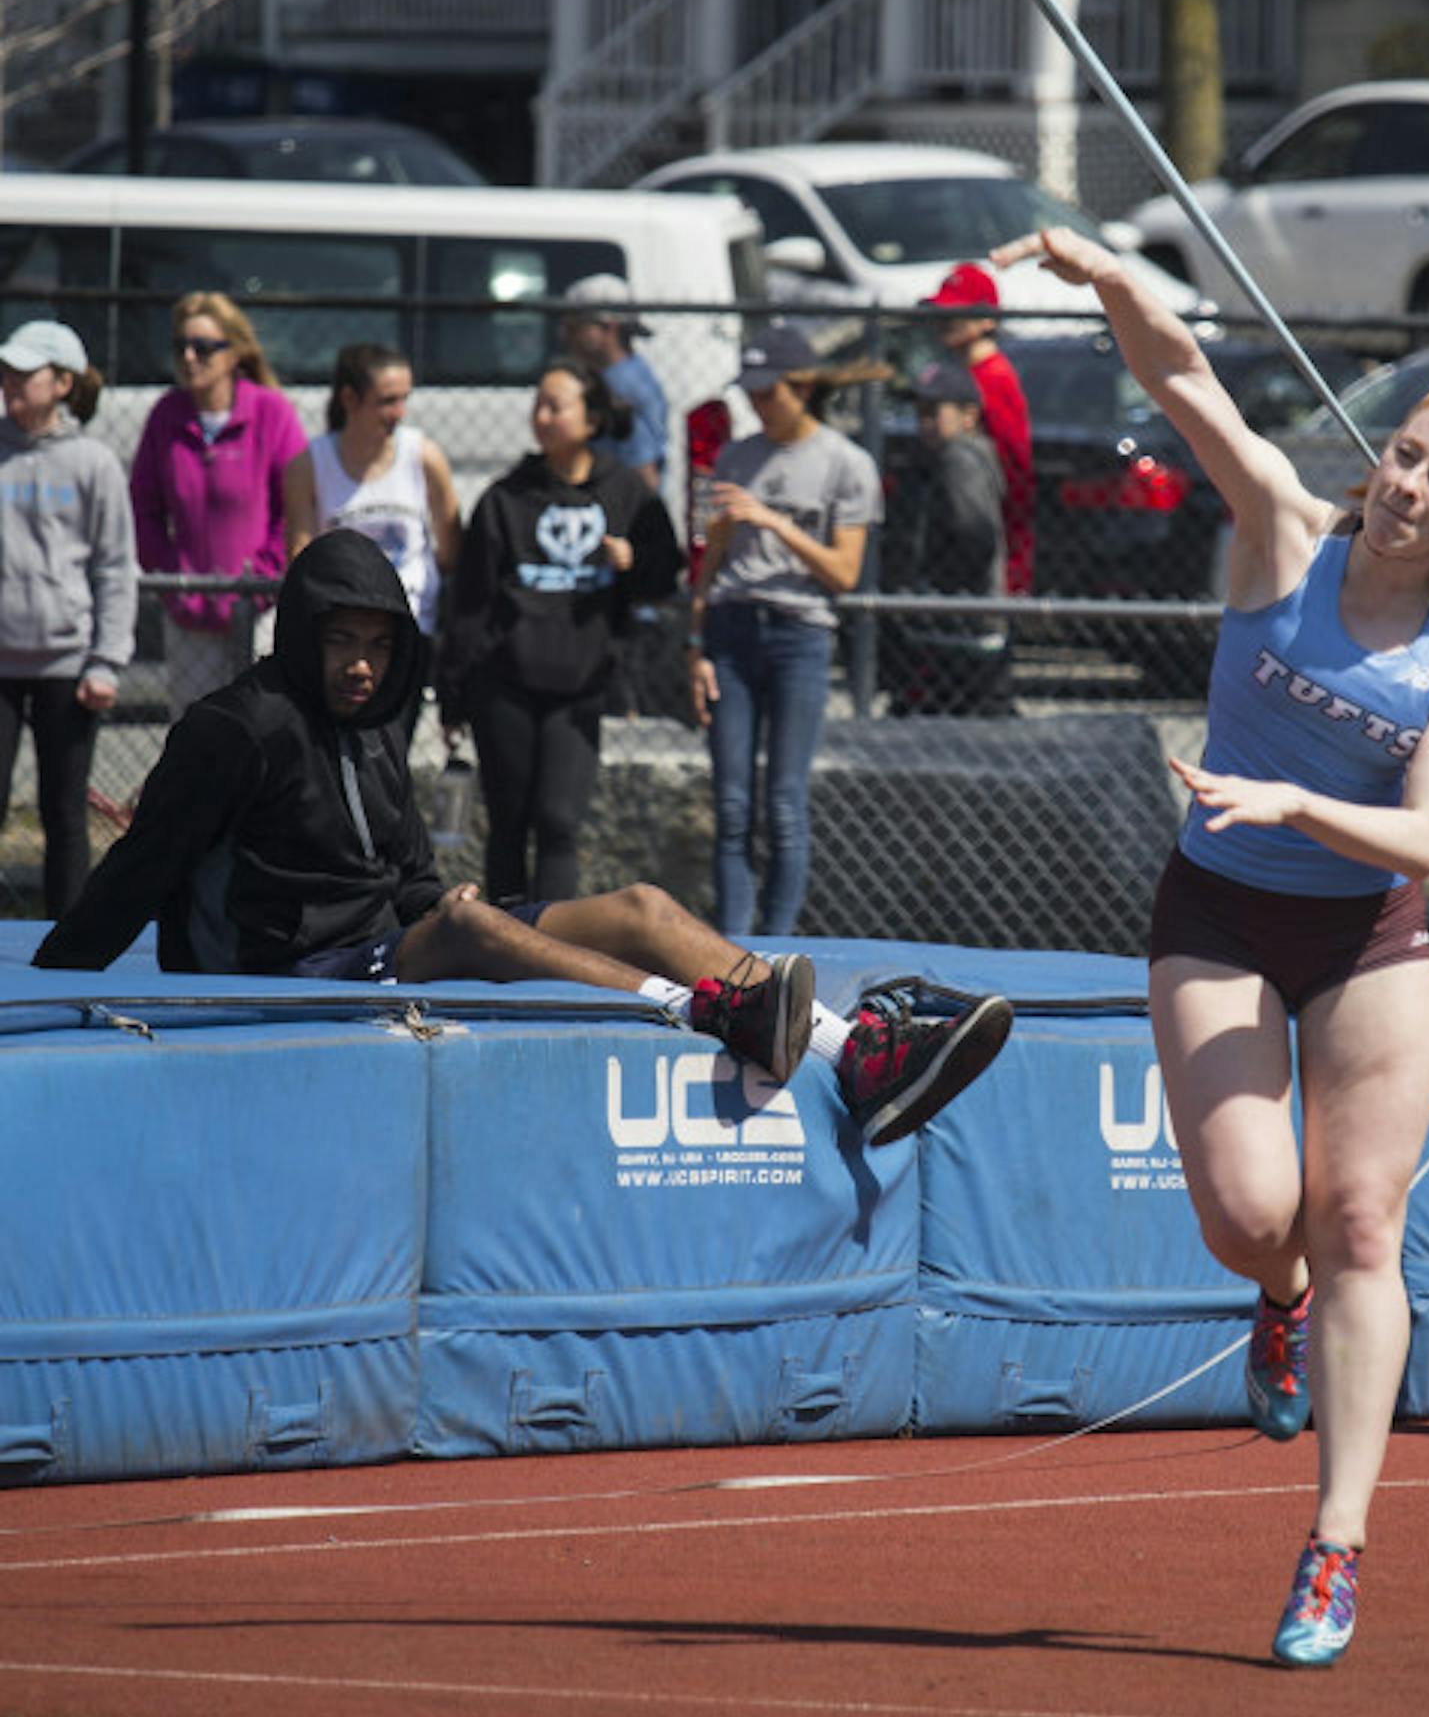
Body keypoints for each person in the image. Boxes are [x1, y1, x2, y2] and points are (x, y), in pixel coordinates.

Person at [995, 223, 1429, 1670]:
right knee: (1260, 1214)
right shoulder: (1281, 528)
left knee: (1364, 1217)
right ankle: (1277, 1299)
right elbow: (1189, 381)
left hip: (1368, 931)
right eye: (1400, 453)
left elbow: (1428, 841)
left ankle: (1337, 1542)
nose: (1404, 483)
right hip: (1220, 910)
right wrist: (1115, 279)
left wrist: (1300, 794)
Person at [33, 529, 1013, 1147]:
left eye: (380, 644)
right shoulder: (234, 728)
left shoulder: (376, 724)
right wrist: (48, 975)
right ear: (301, 633)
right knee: (469, 928)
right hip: (293, 964)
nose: (364, 665)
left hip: (383, 940)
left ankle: (859, 1055)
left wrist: (439, 907)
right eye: (342, 641)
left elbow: (410, 873)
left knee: (640, 906)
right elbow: (144, 861)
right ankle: (715, 1011)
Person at [436, 358, 681, 904]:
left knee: (558, 821)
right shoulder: (506, 497)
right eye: (537, 404)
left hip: (580, 687)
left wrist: (633, 560)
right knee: (508, 822)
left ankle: (551, 952)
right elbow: (471, 603)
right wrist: (453, 692)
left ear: (591, 419)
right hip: (505, 685)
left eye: (556, 405)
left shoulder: (625, 491)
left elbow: (666, 570)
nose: (542, 416)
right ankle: (504, 949)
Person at [690, 320, 884, 937]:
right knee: (731, 802)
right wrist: (695, 644)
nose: (757, 404)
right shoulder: (736, 456)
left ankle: (774, 949)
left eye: (769, 392)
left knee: (784, 802)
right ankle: (733, 946)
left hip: (799, 634)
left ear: (801, 387)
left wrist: (772, 521)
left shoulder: (845, 464)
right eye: (750, 392)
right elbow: (709, 561)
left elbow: (843, 574)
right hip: (731, 630)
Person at [0, 320, 138, 916]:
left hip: (68, 662)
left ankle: (66, 939)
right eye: (6, 371)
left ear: (61, 383)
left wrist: (105, 660)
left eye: (23, 373)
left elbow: (114, 566)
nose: (9, 382)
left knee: (63, 812)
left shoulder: (93, 463)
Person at [128, 290, 308, 715]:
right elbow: (143, 509)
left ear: (234, 353)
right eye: (181, 347)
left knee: (263, 726)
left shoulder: (271, 413)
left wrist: (260, 582)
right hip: (191, 615)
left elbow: (294, 507)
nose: (190, 357)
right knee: (197, 732)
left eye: (204, 348)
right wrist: (176, 586)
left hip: (261, 606)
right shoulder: (166, 416)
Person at [282, 343, 462, 687]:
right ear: (349, 400)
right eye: (387, 401)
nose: (400, 412)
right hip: (342, 636)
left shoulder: (423, 456)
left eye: (404, 399)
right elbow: (300, 558)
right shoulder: (310, 464)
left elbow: (450, 548)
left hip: (408, 629)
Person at [879, 357, 1012, 716]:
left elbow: (974, 534)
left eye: (934, 411)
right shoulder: (939, 457)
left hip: (962, 625)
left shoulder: (961, 458)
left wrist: (935, 585)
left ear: (969, 415)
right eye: (919, 411)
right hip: (953, 625)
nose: (923, 422)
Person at [920, 262, 1034, 595]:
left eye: (956, 313)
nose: (944, 322)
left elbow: (1013, 466)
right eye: (942, 312)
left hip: (984, 535)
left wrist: (1013, 552)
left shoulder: (993, 377)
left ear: (987, 320)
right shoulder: (957, 371)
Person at [559, 273, 670, 489]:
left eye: (575, 327)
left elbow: (644, 471)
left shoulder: (621, 387)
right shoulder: (631, 372)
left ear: (608, 327)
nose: (566, 336)